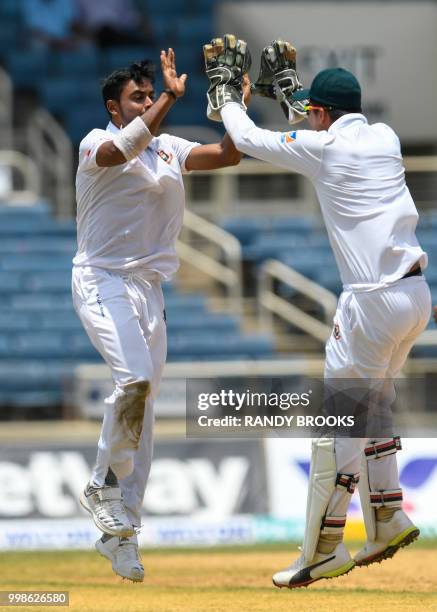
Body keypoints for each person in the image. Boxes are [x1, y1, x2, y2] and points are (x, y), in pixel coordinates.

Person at [203, 36, 431, 588]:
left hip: (371, 301)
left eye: (313, 110)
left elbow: (254, 138)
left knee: (336, 426)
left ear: (323, 114)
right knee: (374, 409)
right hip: (415, 297)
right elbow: (317, 132)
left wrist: (226, 94)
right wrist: (293, 99)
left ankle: (321, 551)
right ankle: (386, 518)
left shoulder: (324, 148)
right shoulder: (385, 136)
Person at [73, 47, 247, 582]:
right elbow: (122, 150)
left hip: (150, 290)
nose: (147, 101)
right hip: (103, 278)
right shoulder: (96, 142)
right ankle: (102, 484)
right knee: (136, 382)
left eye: (151, 94)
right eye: (138, 97)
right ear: (113, 106)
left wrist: (236, 108)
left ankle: (121, 533)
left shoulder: (168, 146)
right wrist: (171, 97)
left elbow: (228, 155)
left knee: (144, 414)